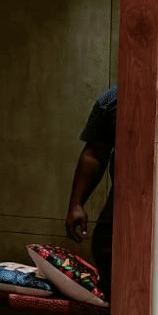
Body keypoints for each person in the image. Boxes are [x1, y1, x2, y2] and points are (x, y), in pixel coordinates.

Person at [66, 86, 116, 293]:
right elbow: (94, 153)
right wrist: (77, 203)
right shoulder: (113, 99)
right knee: (106, 247)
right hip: (125, 198)